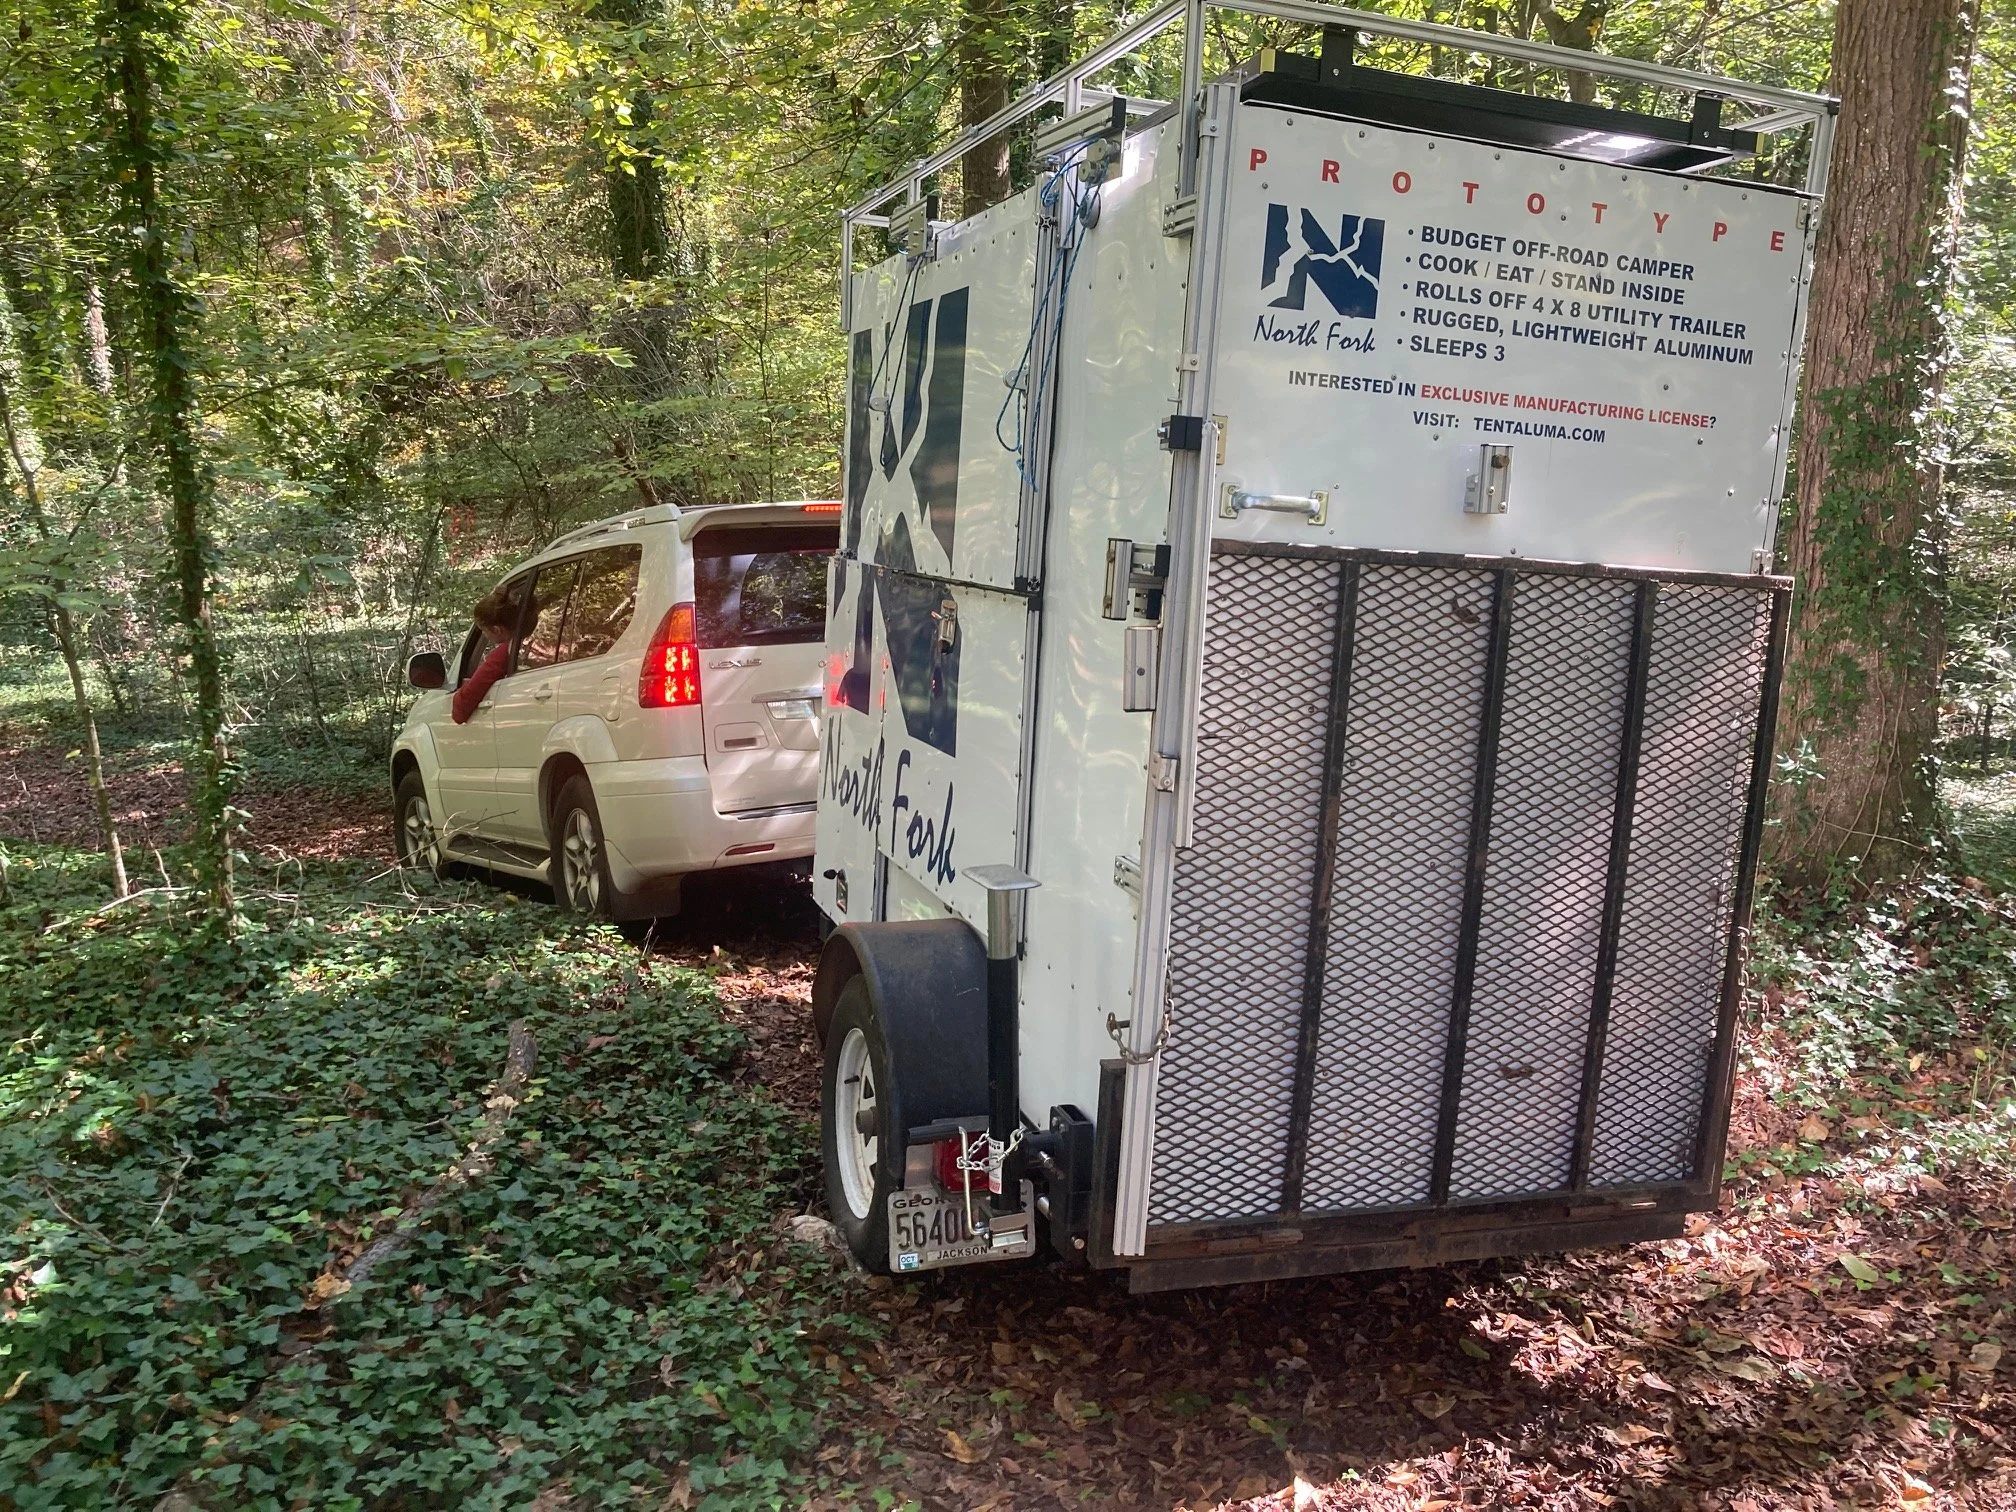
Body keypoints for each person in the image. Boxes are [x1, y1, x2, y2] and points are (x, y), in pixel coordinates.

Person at [451, 585, 522, 724]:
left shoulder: (503, 654)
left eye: (483, 630)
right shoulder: (534, 643)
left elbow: (461, 709)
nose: (485, 635)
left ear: (497, 630)